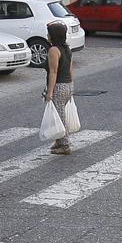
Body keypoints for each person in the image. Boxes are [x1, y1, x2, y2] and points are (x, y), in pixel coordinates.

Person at [44, 21, 75, 155]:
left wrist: (49, 92)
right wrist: (71, 84)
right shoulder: (67, 49)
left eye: (49, 33)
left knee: (59, 115)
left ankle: (65, 145)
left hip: (59, 86)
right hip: (68, 84)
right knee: (60, 113)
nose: (47, 35)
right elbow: (70, 68)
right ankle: (59, 140)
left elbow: (54, 71)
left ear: (53, 35)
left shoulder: (54, 50)